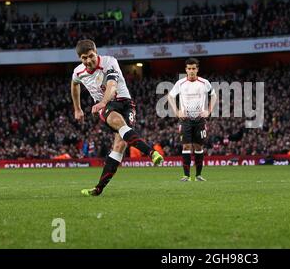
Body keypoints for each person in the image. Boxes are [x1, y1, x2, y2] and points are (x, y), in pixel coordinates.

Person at [71, 39, 163, 196]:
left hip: (124, 102)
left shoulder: (109, 62)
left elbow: (112, 85)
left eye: (91, 56)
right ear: (80, 58)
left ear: (96, 52)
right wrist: (78, 108)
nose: (88, 60)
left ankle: (98, 189)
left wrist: (102, 102)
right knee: (117, 122)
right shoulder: (78, 72)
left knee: (119, 146)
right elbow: (74, 85)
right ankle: (151, 153)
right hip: (107, 107)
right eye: (84, 58)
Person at [167, 58, 217, 181]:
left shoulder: (204, 83)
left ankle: (198, 175)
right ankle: (186, 176)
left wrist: (208, 111)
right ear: (186, 70)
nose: (191, 71)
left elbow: (214, 95)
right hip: (186, 120)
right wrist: (177, 111)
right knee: (186, 147)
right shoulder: (181, 83)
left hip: (200, 120)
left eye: (193, 68)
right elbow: (170, 96)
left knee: (199, 147)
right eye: (189, 69)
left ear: (197, 69)